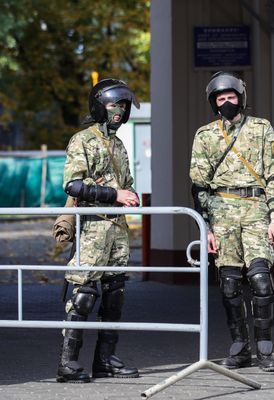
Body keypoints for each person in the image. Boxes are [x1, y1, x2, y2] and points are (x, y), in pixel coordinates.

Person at [189, 72, 274, 372]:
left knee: (260, 279)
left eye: (231, 97)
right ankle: (239, 347)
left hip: (256, 209)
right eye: (221, 99)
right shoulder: (204, 135)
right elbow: (198, 185)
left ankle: (265, 349)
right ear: (213, 103)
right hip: (222, 212)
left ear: (241, 98)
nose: (227, 103)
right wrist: (205, 227)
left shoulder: (261, 129)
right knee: (230, 284)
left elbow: (273, 176)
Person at [56, 78, 141, 383]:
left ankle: (105, 360)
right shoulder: (83, 139)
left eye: (123, 105)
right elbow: (73, 184)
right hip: (92, 226)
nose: (118, 111)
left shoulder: (118, 144)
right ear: (98, 107)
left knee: (115, 293)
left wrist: (130, 194)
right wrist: (115, 195)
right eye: (112, 105)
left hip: (117, 228)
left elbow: (127, 182)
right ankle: (67, 363)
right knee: (84, 294)